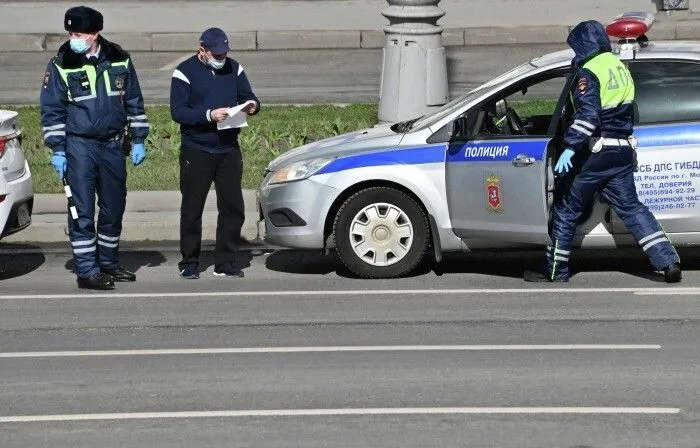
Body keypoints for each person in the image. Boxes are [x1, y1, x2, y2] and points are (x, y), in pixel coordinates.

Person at [524, 20, 681, 283]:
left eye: (576, 48)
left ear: (583, 45)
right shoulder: (619, 67)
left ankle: (555, 272)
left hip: (595, 153)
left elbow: (588, 115)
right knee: (632, 209)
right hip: (621, 153)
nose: (575, 54)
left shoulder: (589, 72)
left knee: (566, 209)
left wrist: (570, 148)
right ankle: (668, 262)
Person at [40, 6, 149, 290]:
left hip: (113, 145)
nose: (73, 38)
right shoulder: (62, 63)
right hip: (79, 147)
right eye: (71, 32)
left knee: (113, 208)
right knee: (82, 210)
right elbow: (52, 109)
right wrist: (58, 149)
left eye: (78, 33)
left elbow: (134, 101)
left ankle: (108, 263)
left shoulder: (119, 59)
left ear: (95, 34)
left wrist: (138, 139)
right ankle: (87, 270)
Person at [170, 27, 260, 279]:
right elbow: (178, 112)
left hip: (228, 148)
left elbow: (248, 95)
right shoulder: (184, 72)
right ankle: (189, 261)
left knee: (232, 207)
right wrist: (208, 115)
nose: (221, 59)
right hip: (196, 149)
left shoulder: (235, 68)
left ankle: (227, 261)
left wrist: (253, 105)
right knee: (192, 208)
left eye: (224, 54)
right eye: (216, 55)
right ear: (203, 50)